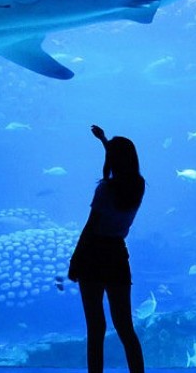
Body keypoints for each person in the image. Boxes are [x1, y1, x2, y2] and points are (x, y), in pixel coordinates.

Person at [68, 125, 146, 373]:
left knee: (95, 327)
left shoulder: (105, 189)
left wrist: (75, 260)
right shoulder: (138, 186)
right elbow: (120, 164)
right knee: (125, 327)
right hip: (117, 256)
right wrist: (103, 141)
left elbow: (90, 227)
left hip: (93, 255)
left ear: (113, 159)